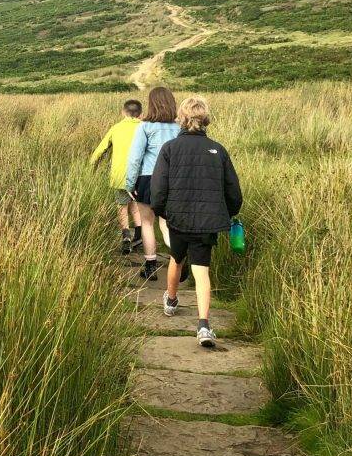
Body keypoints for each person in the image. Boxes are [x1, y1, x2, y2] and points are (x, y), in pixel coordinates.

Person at [151, 96, 242, 348]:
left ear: (182, 118)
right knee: (202, 270)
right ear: (205, 119)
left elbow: (158, 189)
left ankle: (170, 300)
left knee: (176, 259)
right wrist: (230, 212)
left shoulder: (169, 148)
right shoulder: (218, 150)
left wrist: (162, 212)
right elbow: (233, 191)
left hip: (178, 217)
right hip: (208, 220)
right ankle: (204, 325)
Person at [125, 87, 180, 281]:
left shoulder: (145, 127)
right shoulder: (179, 127)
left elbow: (134, 158)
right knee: (168, 225)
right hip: (173, 180)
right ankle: (179, 262)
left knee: (147, 223)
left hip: (148, 178)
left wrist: (130, 184)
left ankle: (150, 265)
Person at [90, 99, 144, 254]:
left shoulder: (116, 128)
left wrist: (91, 167)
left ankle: (126, 236)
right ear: (141, 114)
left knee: (122, 206)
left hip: (120, 175)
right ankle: (139, 235)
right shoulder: (144, 127)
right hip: (141, 175)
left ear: (123, 112)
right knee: (136, 204)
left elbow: (100, 151)